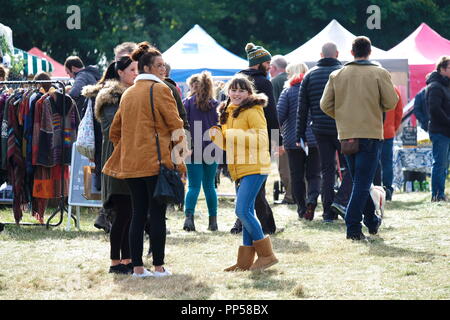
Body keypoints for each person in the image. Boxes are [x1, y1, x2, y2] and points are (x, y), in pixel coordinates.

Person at [102, 42, 188, 277]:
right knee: (157, 214)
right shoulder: (160, 90)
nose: (164, 69)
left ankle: (138, 268)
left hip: (131, 164)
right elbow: (176, 126)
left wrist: (129, 148)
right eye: (159, 65)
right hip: (155, 163)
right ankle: (158, 266)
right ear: (147, 67)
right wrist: (180, 162)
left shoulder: (128, 92)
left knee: (138, 214)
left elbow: (114, 132)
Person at [320, 36, 398, 240]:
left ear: (352, 53)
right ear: (369, 51)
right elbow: (391, 102)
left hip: (346, 135)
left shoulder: (337, 75)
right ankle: (353, 227)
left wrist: (345, 116)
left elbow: (324, 105)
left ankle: (371, 221)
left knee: (359, 181)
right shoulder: (379, 73)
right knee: (362, 183)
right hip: (370, 134)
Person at [210, 74, 278, 271]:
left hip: (255, 166)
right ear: (228, 91)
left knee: (241, 211)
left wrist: (230, 134)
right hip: (239, 168)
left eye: (242, 90)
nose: (237, 93)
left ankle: (267, 255)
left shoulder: (253, 109)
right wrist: (218, 138)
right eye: (234, 89)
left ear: (249, 93)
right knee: (247, 211)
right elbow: (228, 143)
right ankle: (245, 262)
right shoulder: (227, 111)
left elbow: (261, 139)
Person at [296, 42, 352, 222]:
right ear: (337, 53)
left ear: (321, 55)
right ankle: (342, 201)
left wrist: (300, 134)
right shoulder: (344, 73)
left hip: (319, 129)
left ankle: (328, 212)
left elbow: (302, 108)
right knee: (350, 167)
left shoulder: (309, 75)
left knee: (326, 170)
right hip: (342, 128)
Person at [94, 56, 138, 274]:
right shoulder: (112, 98)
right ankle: (115, 262)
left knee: (128, 213)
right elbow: (113, 131)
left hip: (128, 161)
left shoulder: (127, 95)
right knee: (122, 214)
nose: (136, 73)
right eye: (132, 70)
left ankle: (127, 260)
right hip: (116, 162)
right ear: (120, 72)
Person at [233, 42, 282, 235]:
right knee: (257, 184)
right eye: (267, 62)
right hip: (258, 139)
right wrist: (277, 141)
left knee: (242, 181)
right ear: (259, 63)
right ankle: (265, 225)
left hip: (237, 137)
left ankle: (242, 221)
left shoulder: (237, 79)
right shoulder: (263, 82)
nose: (269, 66)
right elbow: (271, 113)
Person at [277, 62, 321, 219]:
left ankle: (302, 208)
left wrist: (277, 138)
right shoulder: (315, 90)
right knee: (314, 174)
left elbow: (279, 116)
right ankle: (312, 200)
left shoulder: (288, 92)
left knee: (296, 175)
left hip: (293, 141)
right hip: (315, 139)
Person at [182, 71, 219, 232]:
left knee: (193, 186)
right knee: (210, 186)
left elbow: (184, 127)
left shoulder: (187, 103)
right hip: (212, 148)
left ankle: (189, 219)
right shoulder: (216, 104)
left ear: (192, 86)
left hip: (193, 149)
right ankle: (213, 221)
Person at [426, 56, 450, 202]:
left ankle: (440, 192)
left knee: (443, 164)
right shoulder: (435, 86)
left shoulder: (445, 85)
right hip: (440, 131)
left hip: (446, 130)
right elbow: (434, 109)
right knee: (439, 164)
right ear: (442, 69)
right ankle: (437, 195)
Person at [270, 55, 294, 205]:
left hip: (282, 130)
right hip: (298, 130)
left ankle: (290, 196)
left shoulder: (274, 82)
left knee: (284, 166)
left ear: (273, 67)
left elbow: (273, 110)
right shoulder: (294, 78)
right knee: (297, 166)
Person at [379, 86, 403, 200]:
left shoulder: (372, 87)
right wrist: (394, 127)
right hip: (388, 132)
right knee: (387, 163)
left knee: (373, 162)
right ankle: (387, 189)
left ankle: (376, 189)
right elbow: (399, 112)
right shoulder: (394, 90)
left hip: (372, 132)